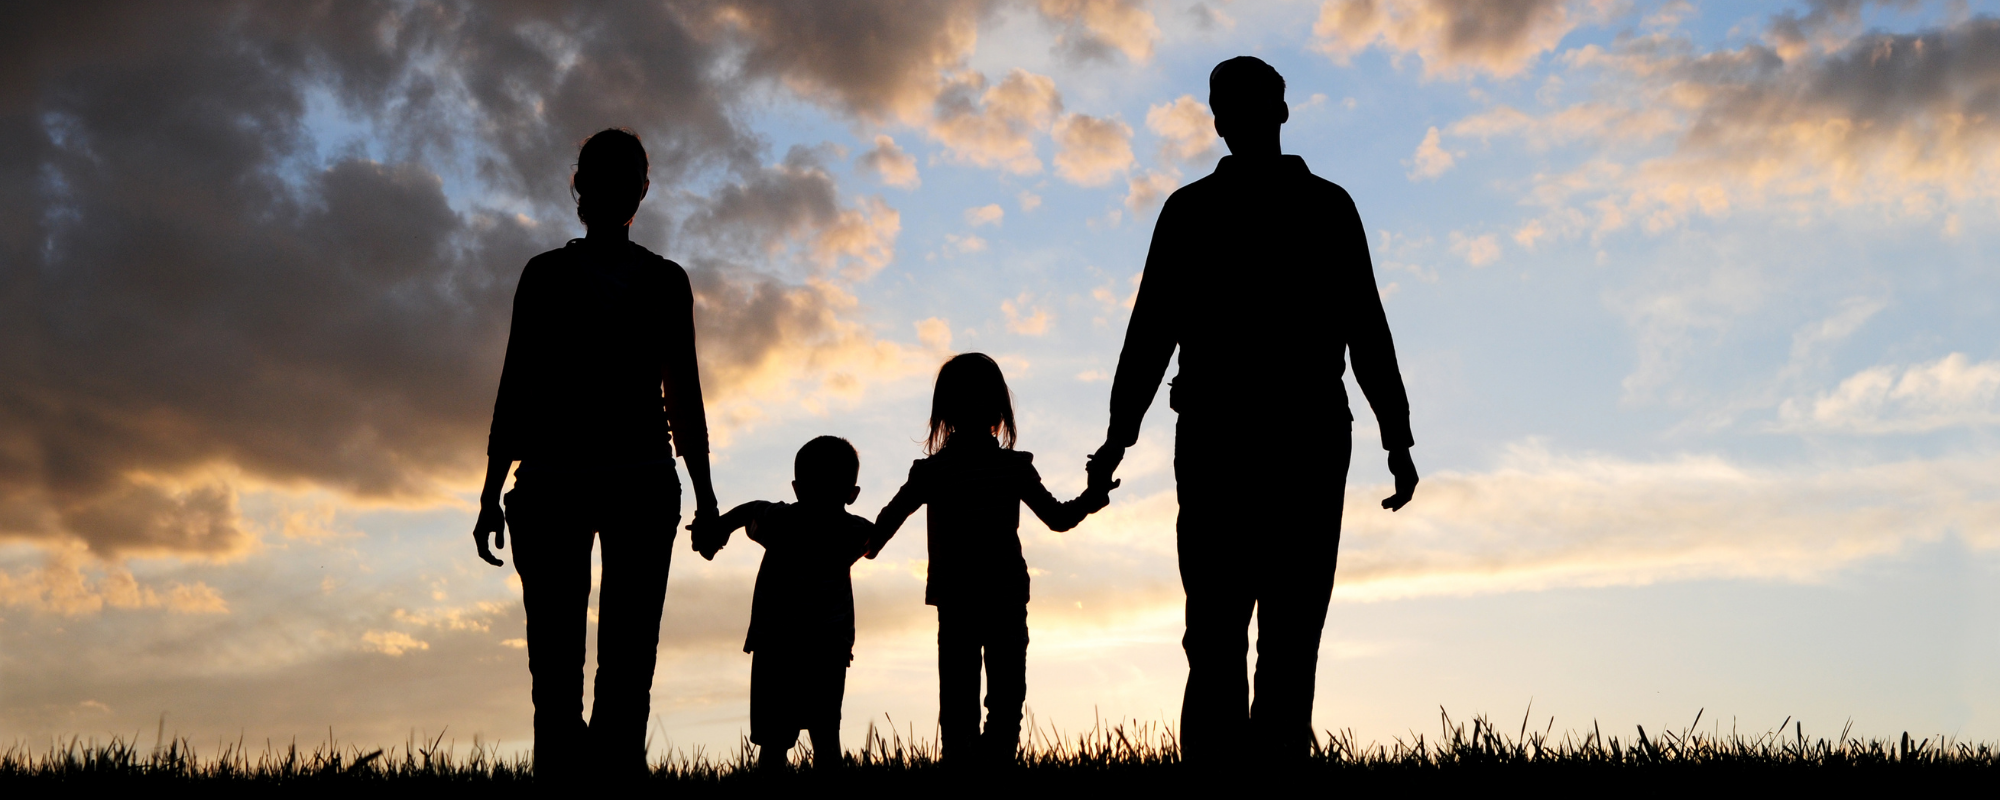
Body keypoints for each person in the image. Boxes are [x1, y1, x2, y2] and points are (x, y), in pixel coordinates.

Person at [1085, 57, 1421, 766]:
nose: (1231, 118)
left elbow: (1365, 325)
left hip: (1267, 434)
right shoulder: (1248, 208)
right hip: (1247, 434)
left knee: (1251, 628)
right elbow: (1152, 332)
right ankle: (1245, 768)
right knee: (1242, 628)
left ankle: (1249, 769)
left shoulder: (1263, 209)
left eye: (1236, 105)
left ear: (1268, 114)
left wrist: (1397, 434)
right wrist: (1118, 435)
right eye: (1227, 106)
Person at [470, 128, 719, 780]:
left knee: (576, 668)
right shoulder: (564, 276)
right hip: (578, 480)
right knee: (603, 667)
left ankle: (585, 785)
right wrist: (706, 496)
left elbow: (518, 387)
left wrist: (491, 492)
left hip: (603, 479)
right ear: (638, 189)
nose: (612, 189)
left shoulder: (617, 279)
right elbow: (521, 385)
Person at [866, 353, 1118, 767]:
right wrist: (845, 541)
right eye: (968, 399)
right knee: (971, 697)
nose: (976, 408)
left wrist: (1092, 498)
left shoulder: (1003, 468)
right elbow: (881, 530)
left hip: (996, 597)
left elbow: (1056, 517)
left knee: (999, 695)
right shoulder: (937, 472)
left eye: (982, 399)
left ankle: (990, 763)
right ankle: (973, 765)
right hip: (969, 598)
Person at [691, 436, 874, 771]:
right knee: (825, 738)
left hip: (775, 645)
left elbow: (749, 510)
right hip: (827, 648)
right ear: (852, 493)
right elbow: (874, 539)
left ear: (796, 487)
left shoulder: (779, 521)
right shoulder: (851, 531)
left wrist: (717, 531)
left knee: (774, 743)